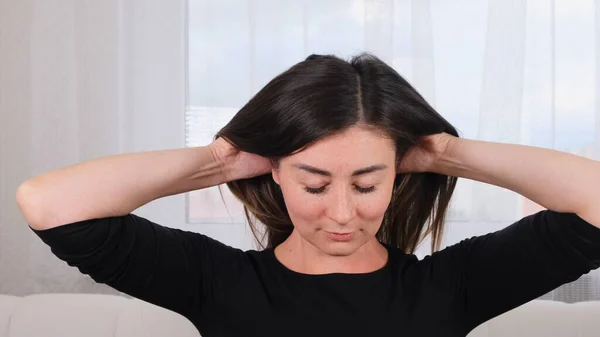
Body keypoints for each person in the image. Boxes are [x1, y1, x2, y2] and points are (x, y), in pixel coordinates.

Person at [15, 53, 600, 337]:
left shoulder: (451, 287)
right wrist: (219, 160)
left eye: (368, 183)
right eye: (314, 183)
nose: (342, 212)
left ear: (398, 174)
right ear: (274, 171)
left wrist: (446, 154)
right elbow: (49, 203)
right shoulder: (217, 281)